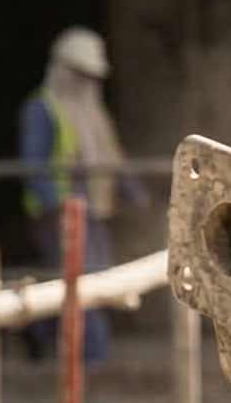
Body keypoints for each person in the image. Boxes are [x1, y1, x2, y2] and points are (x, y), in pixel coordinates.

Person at [20, 27, 149, 360]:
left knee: (88, 280)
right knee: (85, 285)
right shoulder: (42, 110)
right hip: (59, 214)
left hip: (92, 212)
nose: (87, 83)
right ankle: (94, 360)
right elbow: (34, 164)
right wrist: (52, 207)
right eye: (81, 74)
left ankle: (33, 328)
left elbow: (112, 158)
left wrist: (136, 195)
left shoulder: (94, 114)